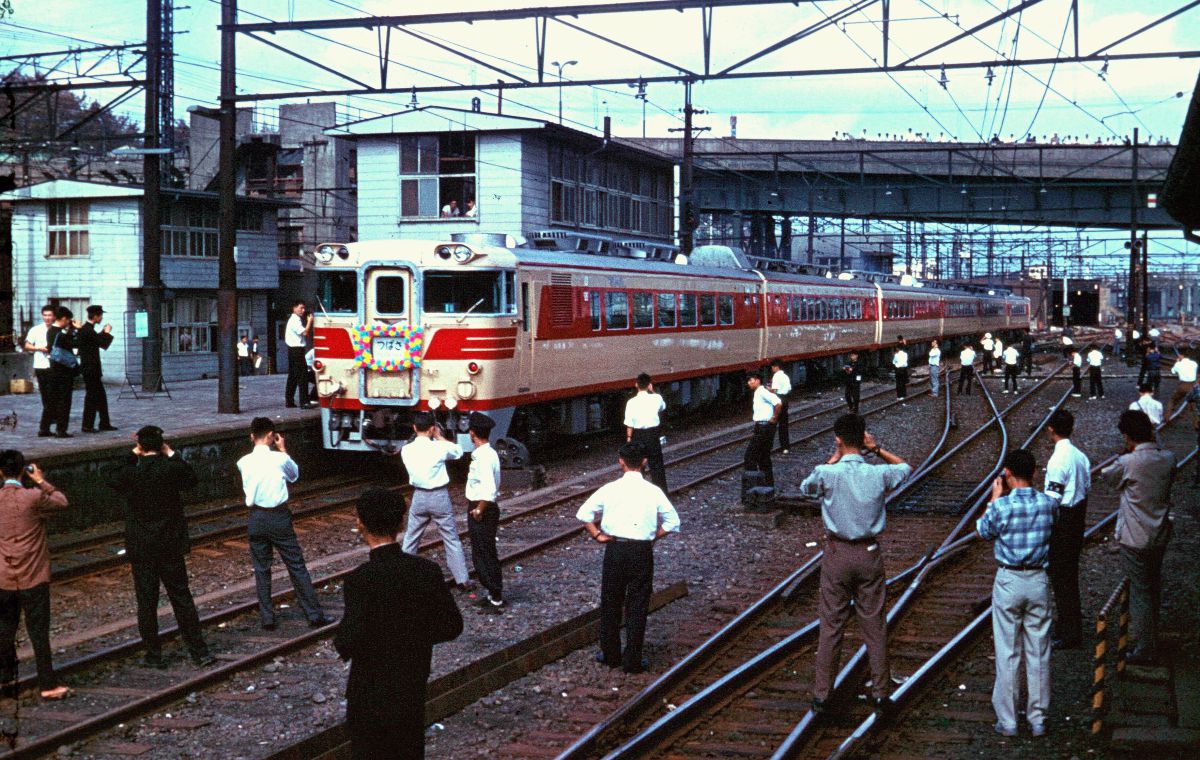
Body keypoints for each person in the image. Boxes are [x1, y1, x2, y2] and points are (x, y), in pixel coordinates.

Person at [334, 488, 463, 760]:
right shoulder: (426, 571)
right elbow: (451, 625)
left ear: (360, 524)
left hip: (369, 688)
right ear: (402, 523)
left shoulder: (360, 579)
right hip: (411, 680)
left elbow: (348, 640)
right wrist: (411, 636)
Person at [800, 414, 911, 714]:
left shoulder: (827, 472)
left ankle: (822, 695)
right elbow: (905, 468)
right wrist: (877, 450)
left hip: (836, 555)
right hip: (869, 553)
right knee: (875, 626)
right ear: (864, 438)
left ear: (837, 438)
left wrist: (835, 458)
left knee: (831, 626)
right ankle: (881, 692)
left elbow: (805, 488)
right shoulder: (878, 474)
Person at [108, 426, 214, 668]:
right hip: (170, 545)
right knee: (181, 598)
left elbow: (108, 475)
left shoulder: (130, 474)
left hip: (142, 548)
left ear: (141, 447)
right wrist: (171, 453)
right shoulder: (171, 469)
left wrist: (132, 454)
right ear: (162, 445)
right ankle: (199, 652)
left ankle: (154, 656)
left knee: (146, 603)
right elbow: (192, 478)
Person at [576, 443, 680, 674]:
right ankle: (633, 659)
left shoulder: (610, 489)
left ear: (620, 461)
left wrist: (597, 535)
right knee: (638, 604)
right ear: (644, 462)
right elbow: (673, 522)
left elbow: (583, 514)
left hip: (615, 549)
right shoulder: (653, 491)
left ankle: (611, 654)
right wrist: (654, 537)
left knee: (611, 601)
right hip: (641, 552)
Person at [976, 449, 1057, 738]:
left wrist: (994, 497)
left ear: (1007, 474)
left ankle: (1008, 721)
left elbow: (983, 532)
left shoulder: (1000, 507)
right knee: (1039, 651)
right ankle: (1038, 719)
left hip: (1009, 579)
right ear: (1034, 473)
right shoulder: (1049, 505)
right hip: (1037, 580)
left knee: (1008, 652)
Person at [236, 418, 332, 629]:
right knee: (296, 565)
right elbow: (294, 475)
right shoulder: (280, 459)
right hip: (279, 517)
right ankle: (314, 615)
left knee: (261, 569)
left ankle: (267, 618)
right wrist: (284, 449)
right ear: (271, 435)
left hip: (256, 519)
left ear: (252, 436)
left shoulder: (242, 462)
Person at [1101, 411, 1176, 663]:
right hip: (1160, 533)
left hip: (1134, 537)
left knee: (1140, 591)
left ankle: (1145, 648)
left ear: (1127, 436)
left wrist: (1124, 454)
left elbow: (1107, 477)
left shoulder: (1129, 462)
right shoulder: (1168, 459)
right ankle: (1151, 637)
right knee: (1153, 587)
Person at [0, 449, 71, 700]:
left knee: (5, 630)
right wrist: (41, 480)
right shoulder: (33, 497)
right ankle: (48, 684)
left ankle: (6, 677)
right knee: (39, 632)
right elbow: (62, 501)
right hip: (33, 576)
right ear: (23, 470)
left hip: (4, 577)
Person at [400, 412, 472, 588]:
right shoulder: (439, 448)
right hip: (439, 497)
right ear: (432, 429)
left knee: (411, 538)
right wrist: (440, 437)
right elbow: (458, 452)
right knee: (451, 538)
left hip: (418, 496)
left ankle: (400, 577)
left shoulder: (406, 449)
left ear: (414, 428)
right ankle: (462, 580)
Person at [1043, 410, 1091, 649]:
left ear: (1051, 429)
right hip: (1078, 517)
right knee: (1069, 577)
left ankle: (1069, 633)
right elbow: (1087, 486)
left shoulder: (1057, 461)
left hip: (1064, 521)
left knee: (1062, 579)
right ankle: (1069, 626)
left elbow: (1052, 500)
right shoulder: (1080, 456)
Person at [466, 413, 504, 611]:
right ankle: (491, 594)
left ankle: (496, 596)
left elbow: (489, 489)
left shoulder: (483, 457)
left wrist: (479, 509)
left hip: (482, 508)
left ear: (472, 433)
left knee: (484, 553)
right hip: (483, 507)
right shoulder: (488, 453)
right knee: (483, 551)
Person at [624, 373, 668, 492]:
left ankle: (639, 493)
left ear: (636, 385)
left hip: (637, 436)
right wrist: (652, 391)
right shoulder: (657, 398)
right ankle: (662, 493)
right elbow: (663, 407)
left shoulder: (631, 402)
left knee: (638, 467)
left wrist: (629, 439)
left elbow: (629, 423)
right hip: (653, 435)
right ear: (649, 385)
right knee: (657, 466)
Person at [78, 305, 116, 433]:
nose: (102, 318)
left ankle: (104, 422)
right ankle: (87, 425)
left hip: (91, 369)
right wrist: (106, 332)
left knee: (100, 397)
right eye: (100, 315)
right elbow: (101, 343)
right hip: (90, 370)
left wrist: (103, 333)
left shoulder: (87, 329)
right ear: (95, 317)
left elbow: (95, 340)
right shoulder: (87, 330)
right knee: (92, 397)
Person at [44, 307, 80, 438]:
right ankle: (61, 429)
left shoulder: (50, 331)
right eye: (68, 320)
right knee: (64, 401)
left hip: (53, 369)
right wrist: (77, 329)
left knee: (51, 401)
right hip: (64, 371)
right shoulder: (60, 333)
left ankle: (44, 428)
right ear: (64, 318)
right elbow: (73, 343)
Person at [743, 373, 782, 489]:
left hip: (763, 427)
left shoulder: (761, 391)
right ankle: (768, 486)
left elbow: (778, 402)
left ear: (758, 380)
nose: (749, 383)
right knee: (764, 458)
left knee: (749, 457)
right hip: (764, 427)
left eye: (751, 380)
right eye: (748, 381)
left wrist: (774, 417)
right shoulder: (760, 392)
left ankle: (754, 487)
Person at [23, 305, 55, 438]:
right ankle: (45, 426)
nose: (47, 318)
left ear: (54, 316)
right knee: (47, 396)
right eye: (45, 315)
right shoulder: (36, 330)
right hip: (41, 366)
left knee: (54, 396)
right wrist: (38, 348)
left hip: (54, 366)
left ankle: (48, 421)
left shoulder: (57, 329)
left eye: (50, 315)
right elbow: (27, 345)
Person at [284, 301, 316, 409]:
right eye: (301, 308)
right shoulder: (294, 321)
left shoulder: (295, 320)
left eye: (303, 308)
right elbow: (305, 333)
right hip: (296, 350)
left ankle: (289, 401)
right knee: (303, 376)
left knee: (293, 376)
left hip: (294, 350)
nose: (302, 310)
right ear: (294, 308)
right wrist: (310, 321)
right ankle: (304, 402)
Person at [1166, 348, 1197, 425]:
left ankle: (1167, 416)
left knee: (1173, 400)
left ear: (1181, 355)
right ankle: (1196, 423)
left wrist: (1176, 362)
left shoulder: (1178, 364)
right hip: (1192, 385)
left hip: (1183, 385)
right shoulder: (1194, 363)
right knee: (1193, 404)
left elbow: (1173, 371)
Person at [770, 360, 793, 453]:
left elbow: (774, 391)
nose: (772, 369)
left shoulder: (776, 376)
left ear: (776, 367)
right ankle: (785, 447)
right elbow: (789, 388)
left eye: (772, 367)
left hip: (778, 400)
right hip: (785, 400)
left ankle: (769, 447)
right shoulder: (785, 376)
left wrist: (768, 390)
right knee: (784, 425)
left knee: (773, 423)